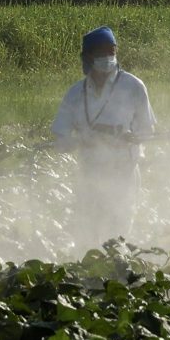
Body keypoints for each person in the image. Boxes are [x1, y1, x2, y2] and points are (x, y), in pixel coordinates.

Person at [50, 26, 156, 246]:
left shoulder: (133, 86)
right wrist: (79, 141)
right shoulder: (75, 93)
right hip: (89, 173)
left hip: (123, 173)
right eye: (100, 53)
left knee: (119, 232)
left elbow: (147, 131)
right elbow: (60, 137)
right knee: (88, 230)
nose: (106, 58)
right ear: (87, 58)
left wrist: (130, 136)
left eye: (111, 52)